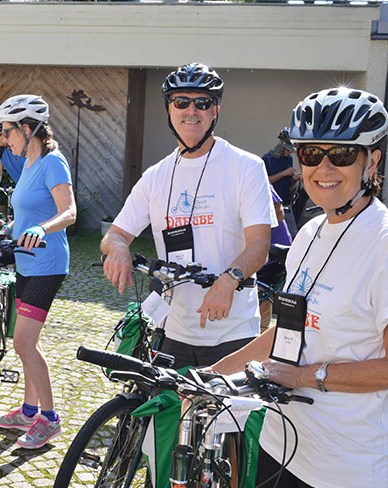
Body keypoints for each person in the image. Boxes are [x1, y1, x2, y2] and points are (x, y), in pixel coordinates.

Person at [208, 87, 388, 488]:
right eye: (312, 154)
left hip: (351, 464)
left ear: (372, 160)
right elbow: (290, 330)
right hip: (282, 445)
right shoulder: (311, 231)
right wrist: (213, 374)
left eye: (342, 155)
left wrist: (303, 376)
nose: (324, 168)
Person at [101, 62, 275, 370]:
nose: (190, 111)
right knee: (166, 416)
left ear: (215, 111)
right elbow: (116, 233)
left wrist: (229, 279)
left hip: (231, 331)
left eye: (202, 102)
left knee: (221, 419)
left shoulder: (245, 167)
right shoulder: (156, 176)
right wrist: (117, 248)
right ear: (169, 109)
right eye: (181, 102)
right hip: (174, 330)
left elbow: (259, 244)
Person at [0, 94, 76, 449]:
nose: (5, 139)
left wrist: (42, 228)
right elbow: (25, 212)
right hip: (24, 261)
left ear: (27, 128)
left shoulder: (53, 162)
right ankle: (28, 410)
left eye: (8, 131)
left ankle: (50, 419)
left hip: (47, 263)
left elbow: (68, 212)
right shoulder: (28, 162)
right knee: (26, 343)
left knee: (23, 341)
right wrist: (7, 229)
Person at [258, 185, 292, 332]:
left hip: (272, 248)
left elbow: (279, 213)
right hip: (264, 247)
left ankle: (258, 336)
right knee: (263, 296)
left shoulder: (260, 180)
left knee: (261, 297)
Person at [263, 128, 300, 237]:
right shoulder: (267, 159)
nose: (289, 153)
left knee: (293, 234)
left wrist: (294, 179)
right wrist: (283, 173)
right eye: (288, 150)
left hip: (286, 202)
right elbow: (265, 182)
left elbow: (288, 184)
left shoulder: (289, 160)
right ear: (282, 145)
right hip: (272, 204)